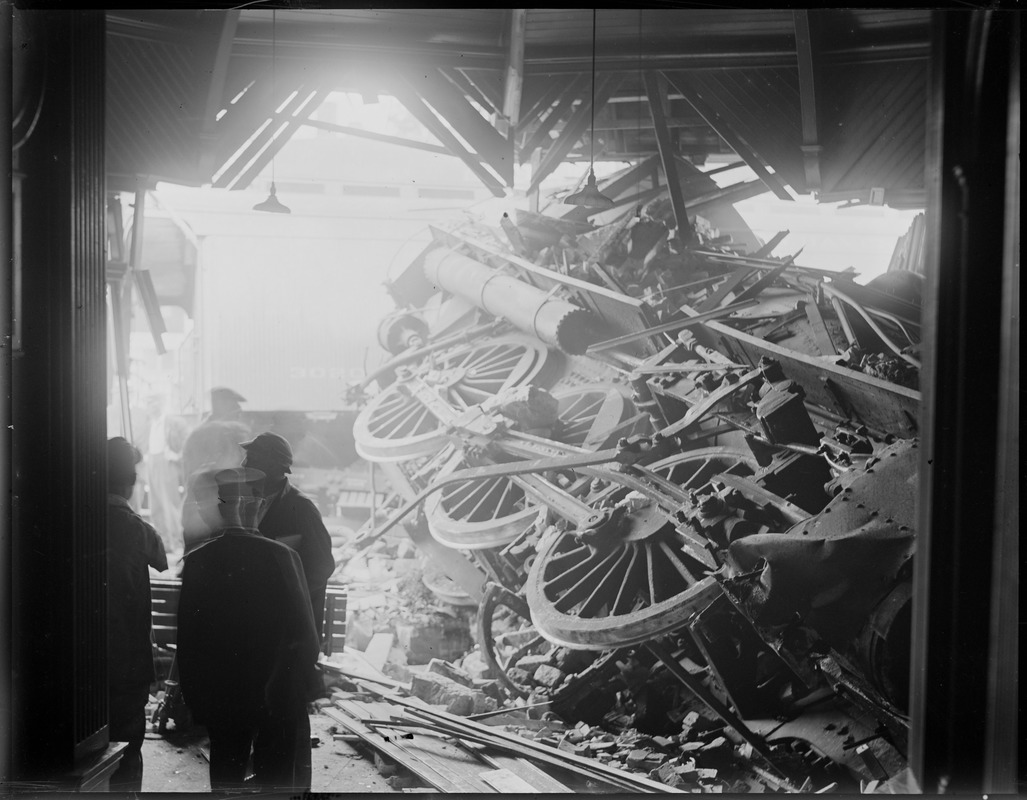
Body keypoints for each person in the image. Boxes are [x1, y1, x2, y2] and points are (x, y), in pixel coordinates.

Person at [177, 467, 320, 793]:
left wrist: (197, 699)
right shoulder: (282, 557)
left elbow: (188, 640)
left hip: (223, 698)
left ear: (222, 507)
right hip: (276, 697)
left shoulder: (199, 560)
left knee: (226, 775)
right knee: (276, 782)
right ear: (255, 506)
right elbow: (307, 640)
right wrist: (286, 690)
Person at [106, 436, 169, 793]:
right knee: (128, 747)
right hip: (127, 659)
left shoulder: (73, 519)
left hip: (80, 660)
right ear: (129, 482)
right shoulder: (134, 527)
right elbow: (160, 558)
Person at [240, 432, 336, 640]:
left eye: (253, 459)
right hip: (258, 621)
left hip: (289, 627)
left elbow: (322, 565)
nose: (244, 464)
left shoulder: (301, 508)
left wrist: (286, 597)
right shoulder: (247, 502)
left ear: (275, 466)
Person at [180, 387, 251, 551]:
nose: (238, 410)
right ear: (221, 406)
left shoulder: (198, 432)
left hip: (198, 508)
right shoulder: (228, 432)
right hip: (214, 509)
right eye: (233, 406)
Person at [136, 391, 190, 556]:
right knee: (156, 506)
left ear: (162, 403)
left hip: (167, 464)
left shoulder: (174, 422)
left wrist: (176, 455)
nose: (151, 406)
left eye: (155, 403)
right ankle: (165, 543)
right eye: (149, 403)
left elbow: (187, 442)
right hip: (151, 463)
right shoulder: (148, 424)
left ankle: (178, 542)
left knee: (170, 505)